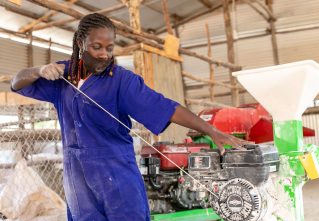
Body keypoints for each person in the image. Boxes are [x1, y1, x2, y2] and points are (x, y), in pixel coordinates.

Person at [11, 13, 247, 221]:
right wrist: (39, 71)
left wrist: (211, 130)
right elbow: (17, 83)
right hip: (76, 174)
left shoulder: (121, 80)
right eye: (97, 47)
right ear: (80, 43)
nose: (104, 54)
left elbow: (166, 107)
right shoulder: (63, 75)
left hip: (115, 170)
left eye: (109, 48)